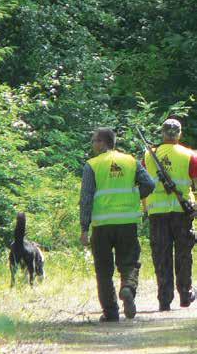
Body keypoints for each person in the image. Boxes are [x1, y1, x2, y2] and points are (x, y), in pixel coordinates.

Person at [80, 127, 155, 322]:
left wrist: (84, 228)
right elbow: (149, 184)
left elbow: (86, 198)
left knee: (103, 270)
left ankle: (111, 313)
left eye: (94, 141)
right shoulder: (131, 161)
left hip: (102, 225)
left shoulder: (92, 165)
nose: (92, 144)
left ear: (102, 143)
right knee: (129, 262)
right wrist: (133, 197)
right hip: (127, 222)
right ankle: (128, 288)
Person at [144, 118, 197, 311]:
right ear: (180, 134)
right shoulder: (189, 155)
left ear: (162, 133)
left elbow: (143, 183)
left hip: (157, 212)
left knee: (161, 254)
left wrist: (144, 208)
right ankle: (185, 294)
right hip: (182, 212)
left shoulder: (149, 155)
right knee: (184, 254)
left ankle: (164, 299)